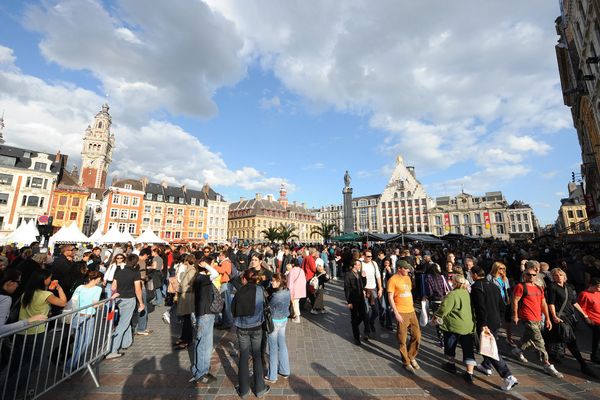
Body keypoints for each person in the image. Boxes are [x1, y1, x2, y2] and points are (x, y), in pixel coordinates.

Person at [6, 269, 67, 396]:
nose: (50, 280)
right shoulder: (45, 294)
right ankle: (13, 390)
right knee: (32, 362)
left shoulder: (27, 292)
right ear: (43, 279)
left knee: (17, 362)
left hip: (21, 331)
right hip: (35, 332)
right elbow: (63, 302)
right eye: (49, 278)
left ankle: (9, 387)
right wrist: (59, 288)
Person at [470, 266, 519, 391]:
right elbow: (502, 305)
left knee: (489, 348)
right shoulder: (494, 286)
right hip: (496, 320)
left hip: (485, 322)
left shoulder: (477, 287)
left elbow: (480, 308)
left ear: (475, 275)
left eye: (471, 274)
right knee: (489, 346)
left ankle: (507, 376)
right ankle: (486, 366)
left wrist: (483, 323)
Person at [511, 265, 563, 378]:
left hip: (538, 318)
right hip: (527, 317)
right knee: (540, 341)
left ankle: (517, 349)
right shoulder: (520, 286)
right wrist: (515, 315)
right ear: (524, 275)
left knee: (528, 337)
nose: (531, 276)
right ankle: (547, 365)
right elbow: (515, 301)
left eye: (533, 275)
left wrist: (548, 318)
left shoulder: (539, 288)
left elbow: (543, 304)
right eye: (528, 274)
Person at [545, 268, 596, 378]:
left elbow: (574, 302)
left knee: (553, 337)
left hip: (569, 318)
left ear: (564, 276)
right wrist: (554, 316)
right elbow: (551, 303)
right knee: (570, 340)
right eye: (555, 275)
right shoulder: (552, 287)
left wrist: (584, 315)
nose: (558, 277)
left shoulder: (569, 287)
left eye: (560, 275)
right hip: (560, 317)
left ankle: (549, 353)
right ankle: (583, 365)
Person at [232, 270, 271, 398]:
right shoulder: (260, 290)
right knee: (257, 356)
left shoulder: (239, 291)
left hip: (242, 327)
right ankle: (260, 389)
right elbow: (265, 305)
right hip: (256, 327)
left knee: (243, 356)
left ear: (244, 279)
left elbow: (232, 309)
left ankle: (243, 391)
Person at [434, 274, 476, 383]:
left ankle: (451, 365)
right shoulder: (468, 294)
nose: (451, 283)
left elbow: (444, 309)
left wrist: (435, 316)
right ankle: (470, 373)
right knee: (468, 349)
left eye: (452, 281)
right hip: (467, 325)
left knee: (450, 345)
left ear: (456, 283)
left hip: (453, 325)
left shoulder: (452, 295)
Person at [65, 270, 104, 373]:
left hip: (77, 316)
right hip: (88, 317)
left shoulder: (80, 287)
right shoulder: (97, 289)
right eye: (99, 280)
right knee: (86, 342)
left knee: (78, 341)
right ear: (97, 279)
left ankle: (73, 364)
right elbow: (95, 304)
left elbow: (73, 301)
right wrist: (104, 303)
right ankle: (69, 365)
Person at [106, 254, 144, 360]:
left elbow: (113, 286)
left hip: (119, 299)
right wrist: (141, 302)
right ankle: (113, 349)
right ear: (136, 262)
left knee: (125, 321)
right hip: (129, 299)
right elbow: (138, 289)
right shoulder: (135, 273)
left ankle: (126, 343)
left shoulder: (120, 272)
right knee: (123, 324)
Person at [190, 257, 219, 384]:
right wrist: (207, 265)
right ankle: (201, 372)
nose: (213, 265)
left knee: (203, 343)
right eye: (211, 263)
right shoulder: (203, 279)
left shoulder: (198, 278)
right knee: (204, 344)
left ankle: (201, 369)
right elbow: (216, 273)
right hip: (205, 314)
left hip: (203, 313)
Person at [388, 260, 421, 373]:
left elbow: (409, 293)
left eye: (408, 268)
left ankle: (411, 355)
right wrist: (396, 313)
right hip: (401, 312)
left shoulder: (407, 278)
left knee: (417, 335)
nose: (408, 270)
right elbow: (390, 297)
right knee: (402, 338)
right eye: (406, 268)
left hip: (411, 311)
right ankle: (406, 361)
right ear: (399, 268)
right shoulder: (393, 280)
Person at [0, 269, 45, 335]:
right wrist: (28, 321)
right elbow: (1, 329)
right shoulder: (5, 299)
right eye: (18, 282)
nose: (18, 286)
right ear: (9, 282)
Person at [265, 273, 291, 383]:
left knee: (273, 348)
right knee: (282, 344)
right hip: (284, 319)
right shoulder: (287, 291)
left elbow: (269, 307)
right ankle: (285, 370)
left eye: (274, 281)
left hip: (274, 322)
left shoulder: (276, 296)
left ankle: (272, 376)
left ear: (279, 282)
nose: (272, 282)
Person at [424, 260, 451, 348]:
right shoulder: (442, 276)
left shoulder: (428, 277)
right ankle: (448, 339)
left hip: (435, 301)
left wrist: (429, 297)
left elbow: (429, 291)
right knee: (445, 319)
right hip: (444, 300)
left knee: (438, 321)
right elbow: (447, 287)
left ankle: (442, 340)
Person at [174, 255, 197, 350]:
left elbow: (190, 285)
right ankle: (184, 338)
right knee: (185, 319)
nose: (184, 261)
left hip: (187, 297)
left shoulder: (192, 271)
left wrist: (179, 289)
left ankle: (187, 340)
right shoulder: (188, 270)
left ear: (188, 261)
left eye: (185, 260)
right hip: (185, 296)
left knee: (187, 319)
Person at [487, 262, 513, 345]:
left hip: (505, 300)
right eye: (500, 268)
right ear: (495, 268)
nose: (502, 270)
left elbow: (507, 289)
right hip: (495, 301)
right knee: (497, 319)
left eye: (503, 268)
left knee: (507, 320)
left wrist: (509, 299)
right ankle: (493, 335)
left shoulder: (505, 278)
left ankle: (509, 338)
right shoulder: (490, 277)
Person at [345, 259, 369, 346]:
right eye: (358, 265)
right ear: (354, 265)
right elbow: (347, 289)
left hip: (361, 298)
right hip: (353, 299)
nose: (359, 266)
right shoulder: (348, 275)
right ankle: (356, 338)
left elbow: (363, 285)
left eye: (360, 265)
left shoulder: (359, 274)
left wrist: (364, 277)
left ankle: (354, 324)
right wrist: (349, 302)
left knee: (364, 315)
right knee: (354, 317)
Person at [577, 277, 600, 363]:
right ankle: (595, 356)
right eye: (598, 287)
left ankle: (596, 355)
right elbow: (581, 308)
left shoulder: (598, 293)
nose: (599, 289)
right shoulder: (584, 294)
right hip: (593, 319)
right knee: (597, 337)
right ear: (591, 285)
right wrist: (586, 318)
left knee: (597, 338)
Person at [361, 250, 383, 334]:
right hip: (364, 290)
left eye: (371, 256)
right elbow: (359, 279)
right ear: (363, 256)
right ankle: (367, 331)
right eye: (368, 256)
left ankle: (371, 321)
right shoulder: (361, 264)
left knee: (376, 311)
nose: (370, 258)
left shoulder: (374, 263)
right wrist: (361, 290)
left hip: (373, 289)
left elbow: (378, 276)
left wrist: (380, 288)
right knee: (366, 311)